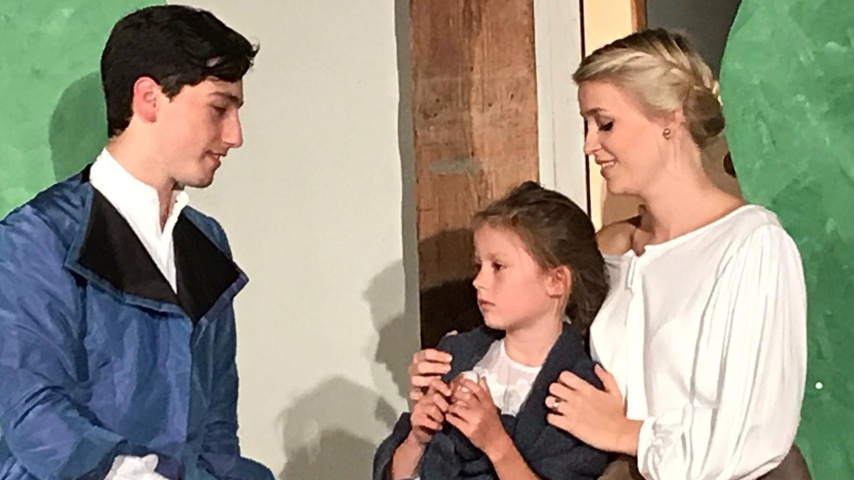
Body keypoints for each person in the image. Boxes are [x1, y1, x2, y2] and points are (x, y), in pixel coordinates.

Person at [407, 29, 807, 480]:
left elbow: (752, 436)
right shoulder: (610, 252)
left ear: (669, 118)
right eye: (587, 125)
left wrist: (626, 433)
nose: (589, 145)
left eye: (605, 124)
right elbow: (534, 350)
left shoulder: (750, 246)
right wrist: (450, 369)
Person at [0, 5, 273, 480]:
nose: (235, 136)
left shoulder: (207, 243)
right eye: (218, 108)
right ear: (148, 98)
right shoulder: (37, 238)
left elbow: (216, 436)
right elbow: (32, 413)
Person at [374, 181, 611, 479]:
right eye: (479, 266)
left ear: (556, 281)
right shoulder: (455, 356)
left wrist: (496, 445)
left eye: (498, 267)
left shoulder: (579, 391)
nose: (479, 282)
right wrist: (417, 439)